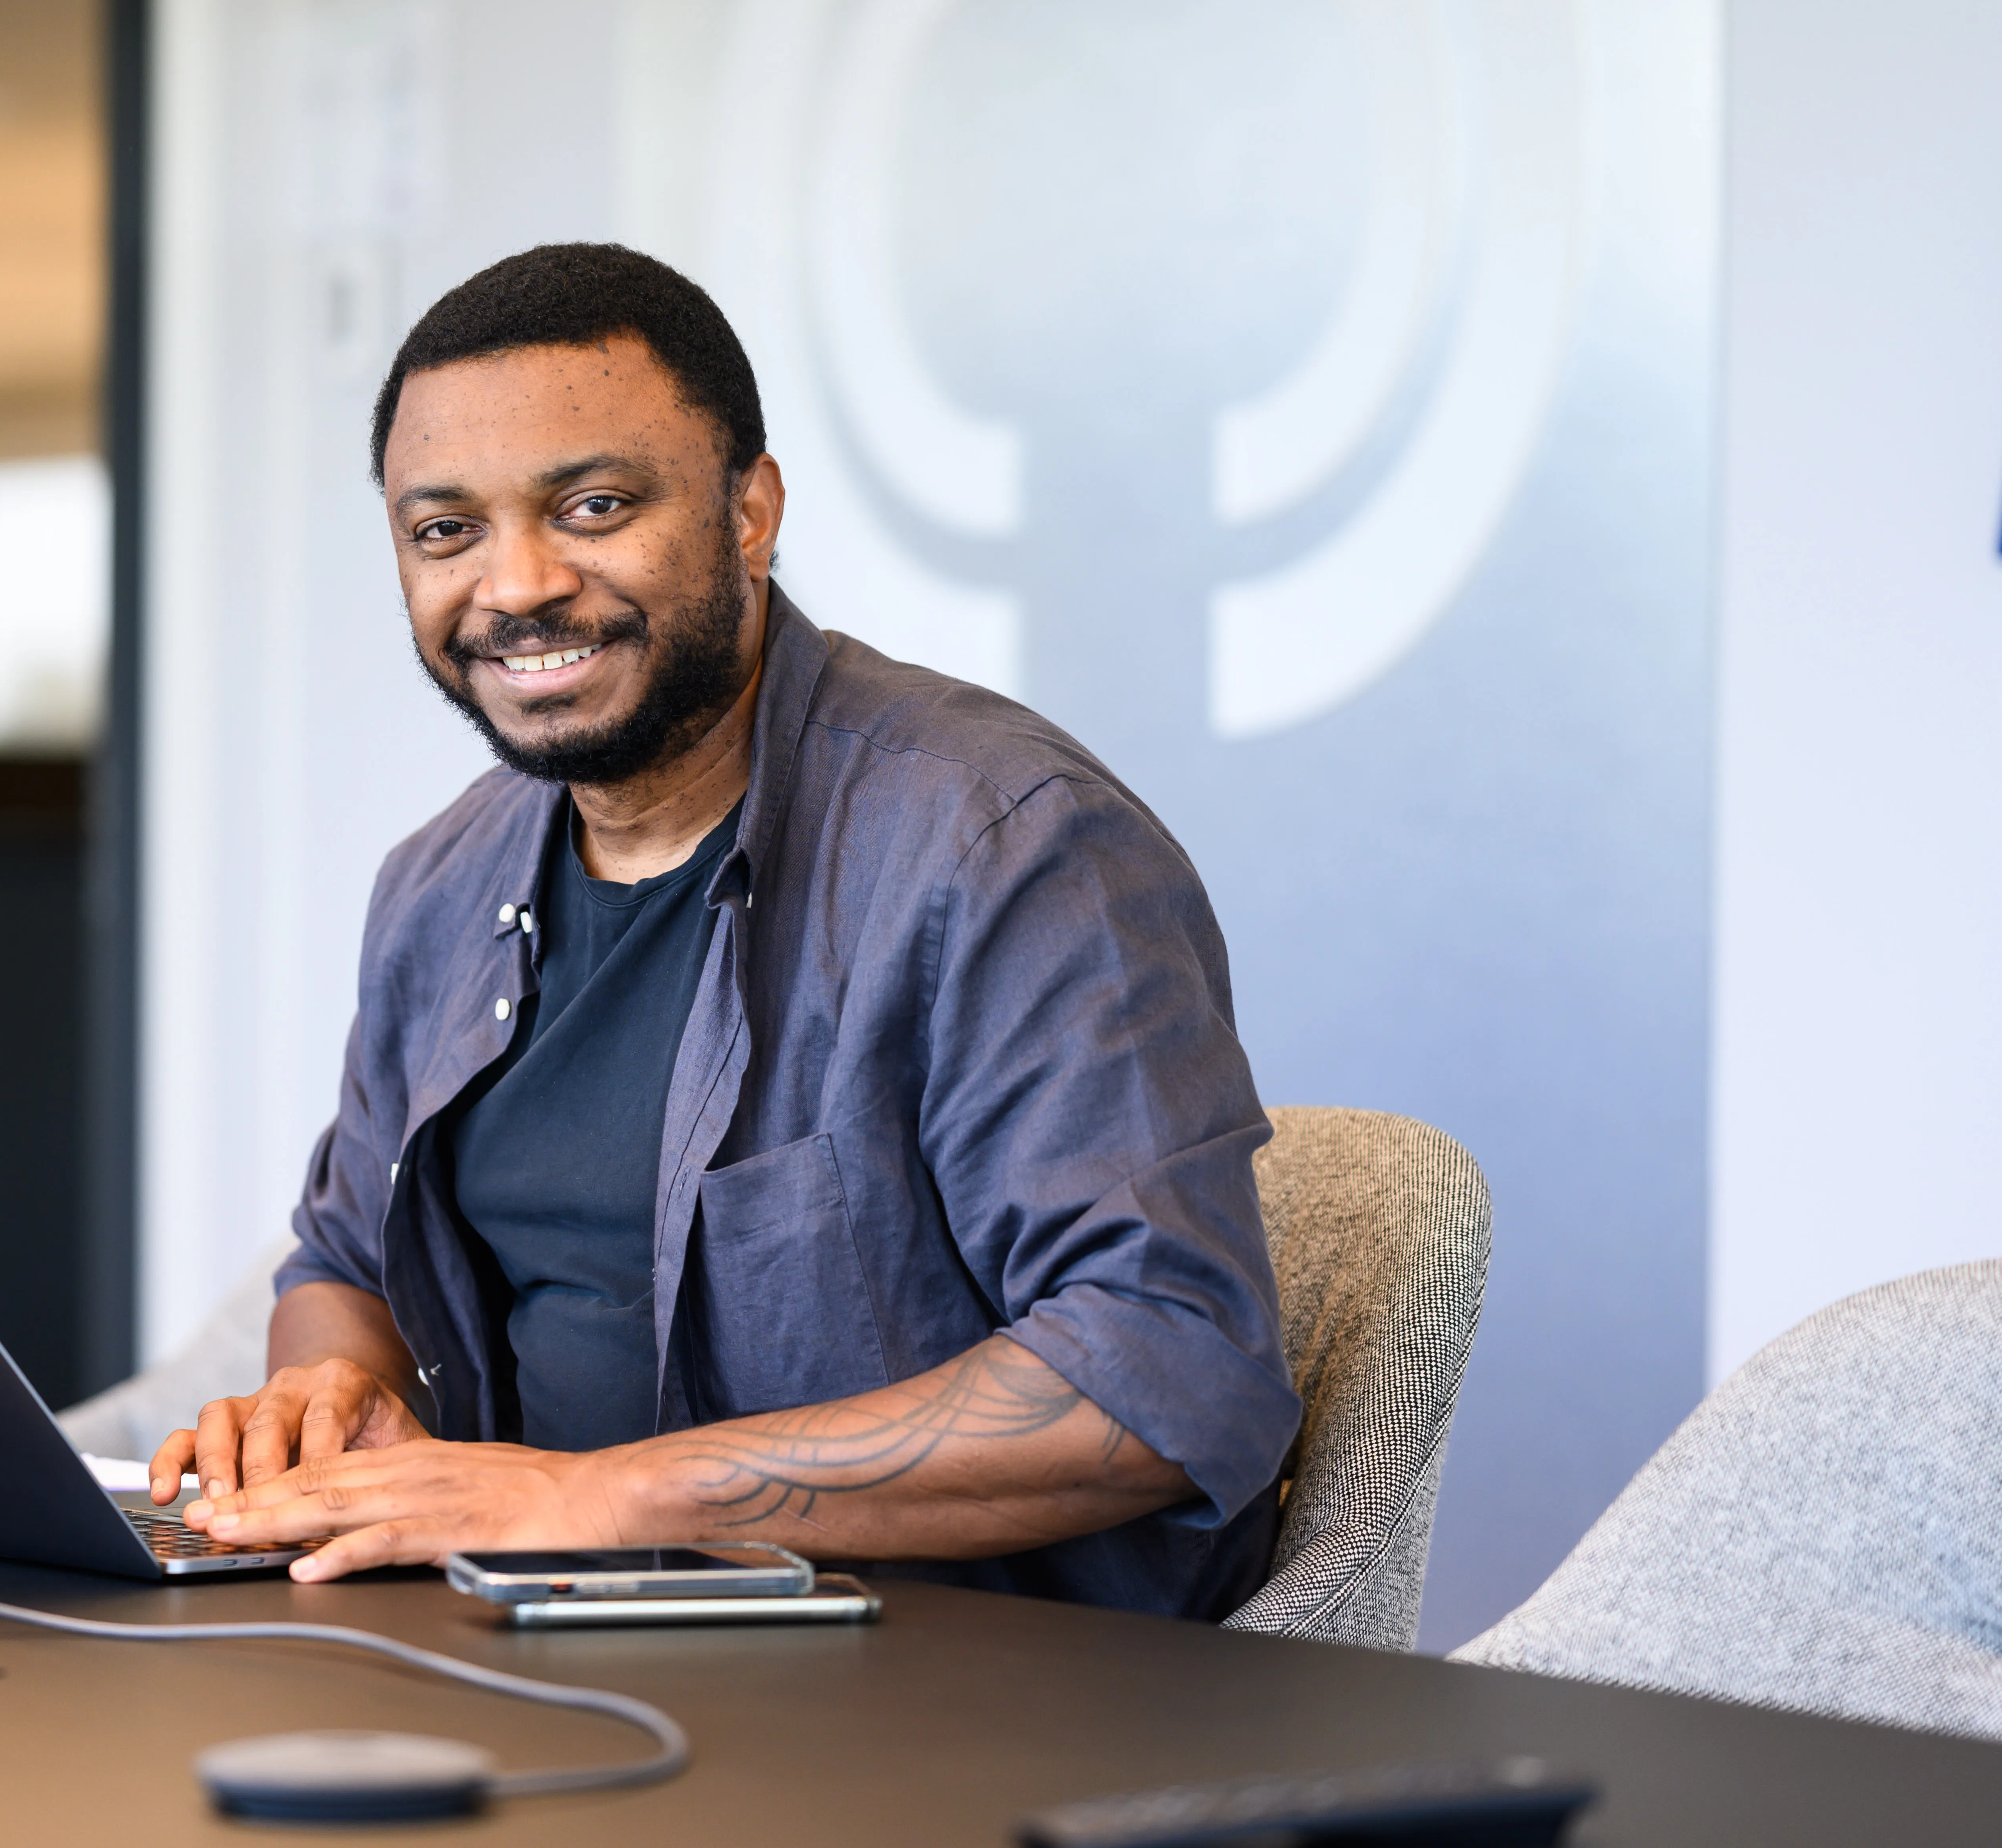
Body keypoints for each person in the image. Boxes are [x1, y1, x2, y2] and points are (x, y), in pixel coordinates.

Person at [148, 243, 1299, 1616]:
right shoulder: (439, 886)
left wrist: (592, 1497)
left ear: (749, 513)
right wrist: (327, 1392)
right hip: (536, 1643)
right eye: (444, 531)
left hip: (949, 1692)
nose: (513, 587)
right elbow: (347, 1262)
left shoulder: (1002, 845)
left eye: (591, 505)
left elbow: (1161, 1365)